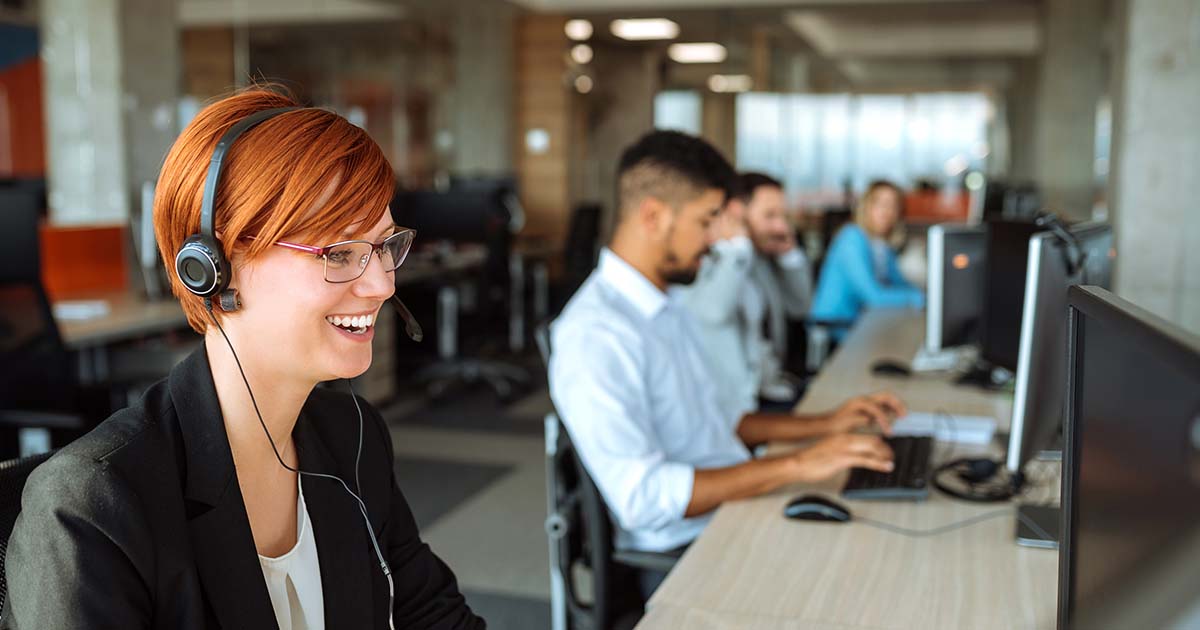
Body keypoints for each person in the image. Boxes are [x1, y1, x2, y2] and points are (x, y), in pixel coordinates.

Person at [1, 88, 484, 629]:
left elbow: (434, 615)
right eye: (340, 253)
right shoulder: (94, 505)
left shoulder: (354, 435)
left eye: (385, 246)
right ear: (214, 265)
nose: (380, 283)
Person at [548, 130, 902, 596]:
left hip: (735, 508)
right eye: (707, 220)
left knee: (889, 541)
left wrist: (826, 425)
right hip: (686, 549)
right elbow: (644, 499)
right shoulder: (596, 334)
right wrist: (798, 464)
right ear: (653, 216)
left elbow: (720, 423)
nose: (717, 239)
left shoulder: (665, 304)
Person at [676, 172, 812, 415]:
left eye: (783, 216)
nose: (781, 227)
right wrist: (738, 247)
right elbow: (713, 313)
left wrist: (790, 255)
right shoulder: (710, 259)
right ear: (737, 212)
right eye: (770, 216)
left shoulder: (760, 259)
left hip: (772, 389)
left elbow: (800, 306)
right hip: (734, 407)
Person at [810, 180, 925, 332]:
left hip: (861, 320)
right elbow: (874, 297)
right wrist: (917, 298)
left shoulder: (881, 245)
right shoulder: (851, 238)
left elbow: (898, 283)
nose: (887, 211)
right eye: (880, 204)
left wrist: (925, 293)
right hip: (834, 326)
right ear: (866, 207)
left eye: (893, 205)